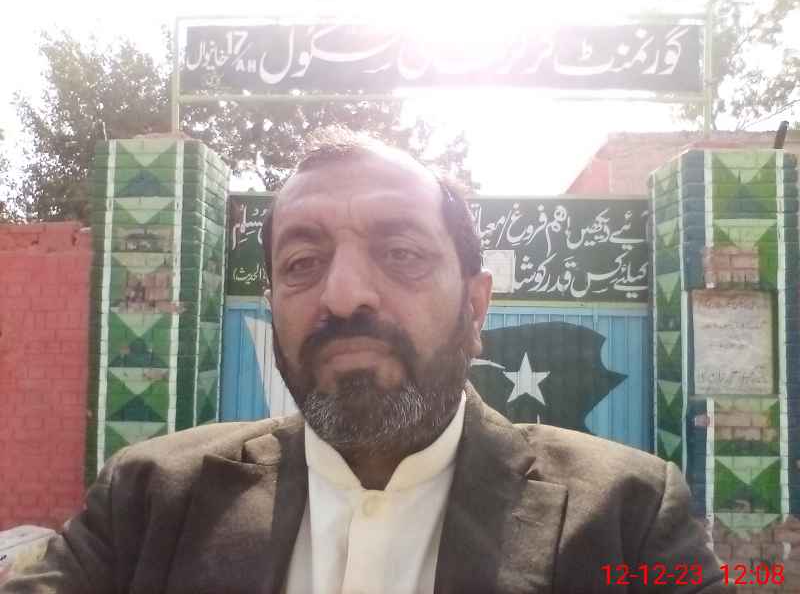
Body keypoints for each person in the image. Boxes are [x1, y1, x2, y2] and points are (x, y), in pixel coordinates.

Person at [1, 128, 726, 593]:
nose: (343, 295)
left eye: (401, 253)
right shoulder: (148, 501)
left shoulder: (629, 517)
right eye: (302, 262)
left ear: (476, 308)